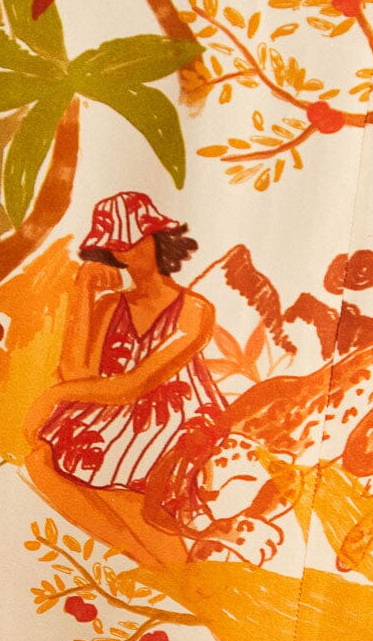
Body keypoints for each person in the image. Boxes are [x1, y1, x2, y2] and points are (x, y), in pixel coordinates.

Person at [23, 192, 227, 567]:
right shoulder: (110, 306)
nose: (125, 251)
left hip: (172, 416)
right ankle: (147, 559)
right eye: (116, 244)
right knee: (43, 459)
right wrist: (84, 290)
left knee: (130, 477)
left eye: (133, 239)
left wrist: (50, 398)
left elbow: (136, 385)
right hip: (111, 411)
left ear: (158, 238)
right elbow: (77, 373)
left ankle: (171, 565)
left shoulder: (194, 310)